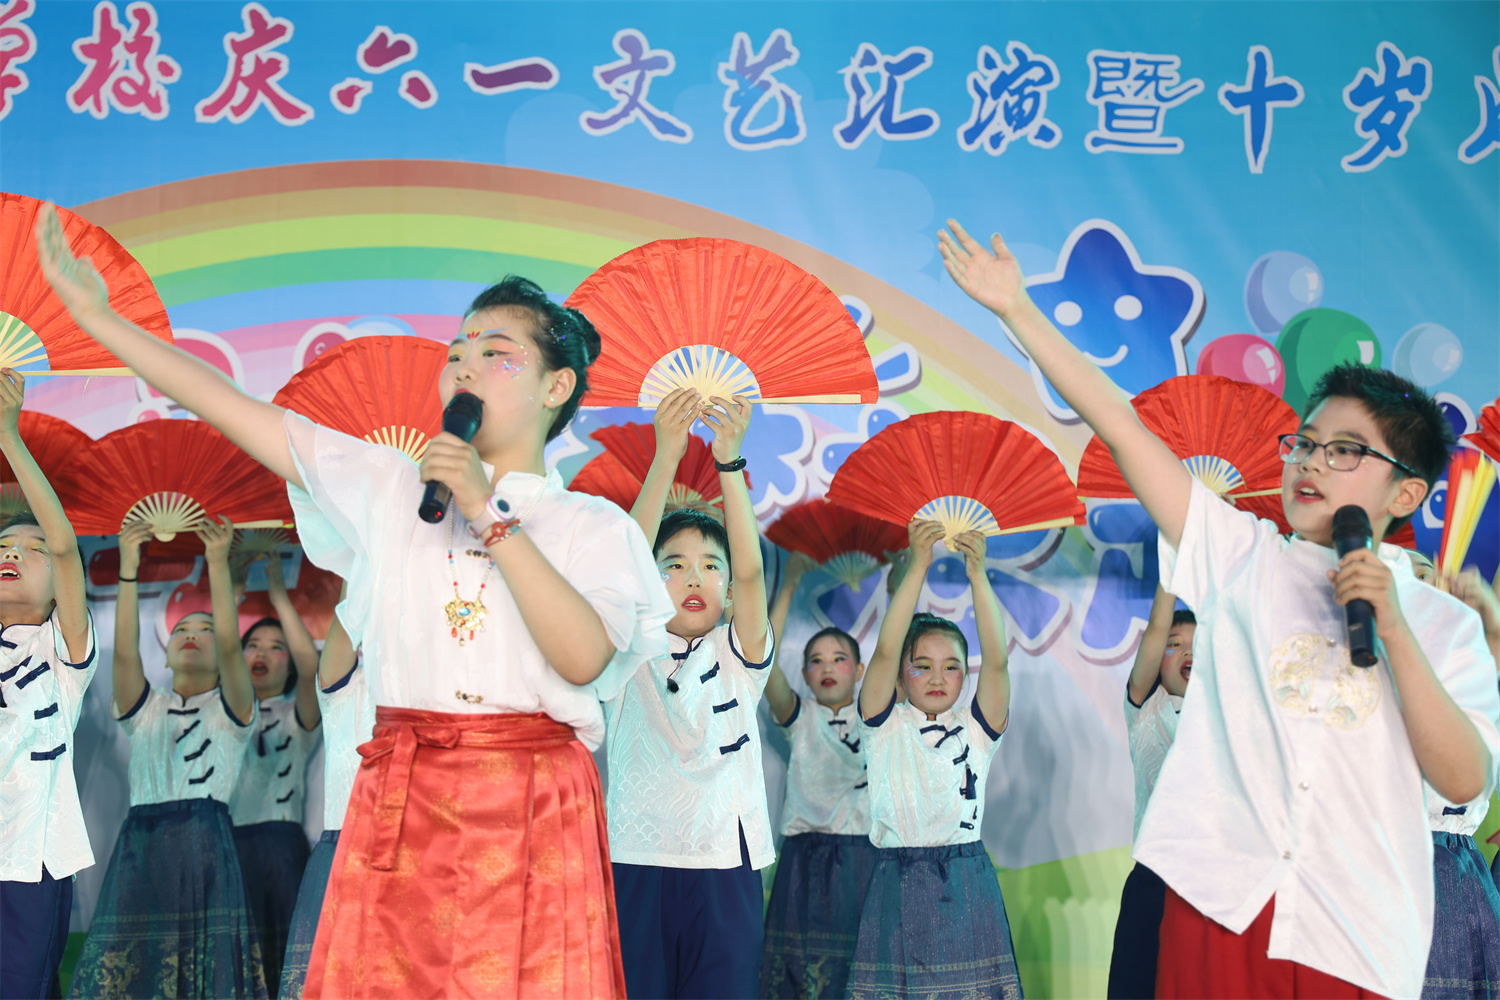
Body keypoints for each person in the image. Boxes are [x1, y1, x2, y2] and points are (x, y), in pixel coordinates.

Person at [37, 208, 673, 1000]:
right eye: (457, 351)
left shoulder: (594, 526)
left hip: (533, 798)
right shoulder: (390, 485)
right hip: (406, 793)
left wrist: (487, 512)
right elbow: (231, 406)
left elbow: (582, 658)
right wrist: (101, 321)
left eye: (495, 352)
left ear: (557, 386)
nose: (465, 365)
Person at [939, 218, 1500, 999]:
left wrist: (1395, 630)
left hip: (1355, 932)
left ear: (1405, 493)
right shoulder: (1242, 556)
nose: (1311, 462)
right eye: (1304, 443)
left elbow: (1465, 779)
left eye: (1345, 450)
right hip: (1219, 907)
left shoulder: (1444, 625)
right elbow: (1123, 427)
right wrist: (1018, 311)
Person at [604, 387, 775, 1000]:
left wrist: (729, 461)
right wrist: (666, 456)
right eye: (673, 565)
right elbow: (621, 572)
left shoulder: (739, 653)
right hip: (635, 857)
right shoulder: (627, 649)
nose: (693, 576)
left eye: (710, 565)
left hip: (725, 864)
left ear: (727, 593)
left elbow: (752, 571)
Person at [69, 517, 264, 1000]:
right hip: (142, 847)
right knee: (131, 973)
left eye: (206, 629)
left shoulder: (234, 709)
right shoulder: (145, 709)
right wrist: (128, 567)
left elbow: (232, 650)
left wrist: (217, 563)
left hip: (207, 848)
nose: (192, 634)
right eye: (181, 630)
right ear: (167, 654)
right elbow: (125, 655)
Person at [849, 520, 1022, 1000]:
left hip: (967, 885)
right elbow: (885, 650)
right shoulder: (884, 725)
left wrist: (978, 575)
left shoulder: (977, 729)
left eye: (951, 667)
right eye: (922, 666)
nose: (938, 678)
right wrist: (918, 567)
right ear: (901, 676)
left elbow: (997, 661)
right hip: (896, 880)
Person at [0, 368, 96, 1000]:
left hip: (29, 860)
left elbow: (65, 549)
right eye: (3, 545)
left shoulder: (62, 652)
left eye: (29, 547)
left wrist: (8, 436)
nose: (11, 553)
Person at [759, 551, 876, 1000]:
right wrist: (788, 584)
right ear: (805, 675)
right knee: (797, 978)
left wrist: (900, 582)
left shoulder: (881, 723)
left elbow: (896, 655)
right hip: (803, 861)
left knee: (859, 976)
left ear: (861, 671)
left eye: (840, 658)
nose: (827, 667)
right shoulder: (800, 716)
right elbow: (761, 662)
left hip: (863, 860)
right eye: (816, 660)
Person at [1404, 550, 1500, 999]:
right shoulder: (1373, 672)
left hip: (1463, 870)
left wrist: (1489, 625)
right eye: (1407, 576)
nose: (1425, 584)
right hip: (1401, 865)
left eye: (1428, 574)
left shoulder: (1466, 668)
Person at [229, 551, 322, 993]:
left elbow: (312, 671)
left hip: (281, 849)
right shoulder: (220, 714)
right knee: (233, 959)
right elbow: (221, 651)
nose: (262, 653)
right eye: (253, 645)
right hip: (226, 844)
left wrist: (278, 592)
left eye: (275, 646)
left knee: (285, 958)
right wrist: (231, 586)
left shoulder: (296, 715)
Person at [278, 597, 371, 1000]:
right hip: (343, 852)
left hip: (421, 851)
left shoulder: (435, 690)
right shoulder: (346, 686)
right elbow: (354, 600)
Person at [1108, 583, 1195, 999]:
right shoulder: (1146, 707)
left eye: (1200, 645)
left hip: (1209, 886)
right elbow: (1158, 625)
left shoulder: (1230, 717)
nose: (1189, 653)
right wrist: (1171, 570)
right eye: (1174, 645)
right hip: (1154, 883)